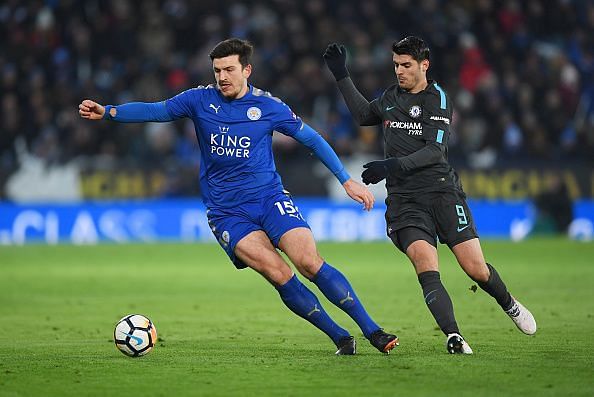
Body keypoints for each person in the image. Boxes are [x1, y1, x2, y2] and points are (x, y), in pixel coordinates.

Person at [79, 38, 398, 355]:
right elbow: (156, 111)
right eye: (217, 70)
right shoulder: (198, 100)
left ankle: (373, 330)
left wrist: (346, 180)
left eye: (229, 69)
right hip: (227, 212)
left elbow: (312, 139)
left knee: (309, 263)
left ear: (247, 69)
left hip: (270, 199)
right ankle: (341, 337)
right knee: (279, 273)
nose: (222, 77)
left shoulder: (269, 106)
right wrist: (108, 111)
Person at [323, 36, 536, 354]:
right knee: (426, 266)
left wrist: (392, 164)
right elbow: (365, 115)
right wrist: (342, 75)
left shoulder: (437, 98)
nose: (399, 71)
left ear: (424, 65)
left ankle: (509, 303)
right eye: (395, 65)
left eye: (406, 65)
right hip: (405, 201)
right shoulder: (391, 96)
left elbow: (435, 151)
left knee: (475, 269)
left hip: (441, 192)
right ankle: (454, 336)